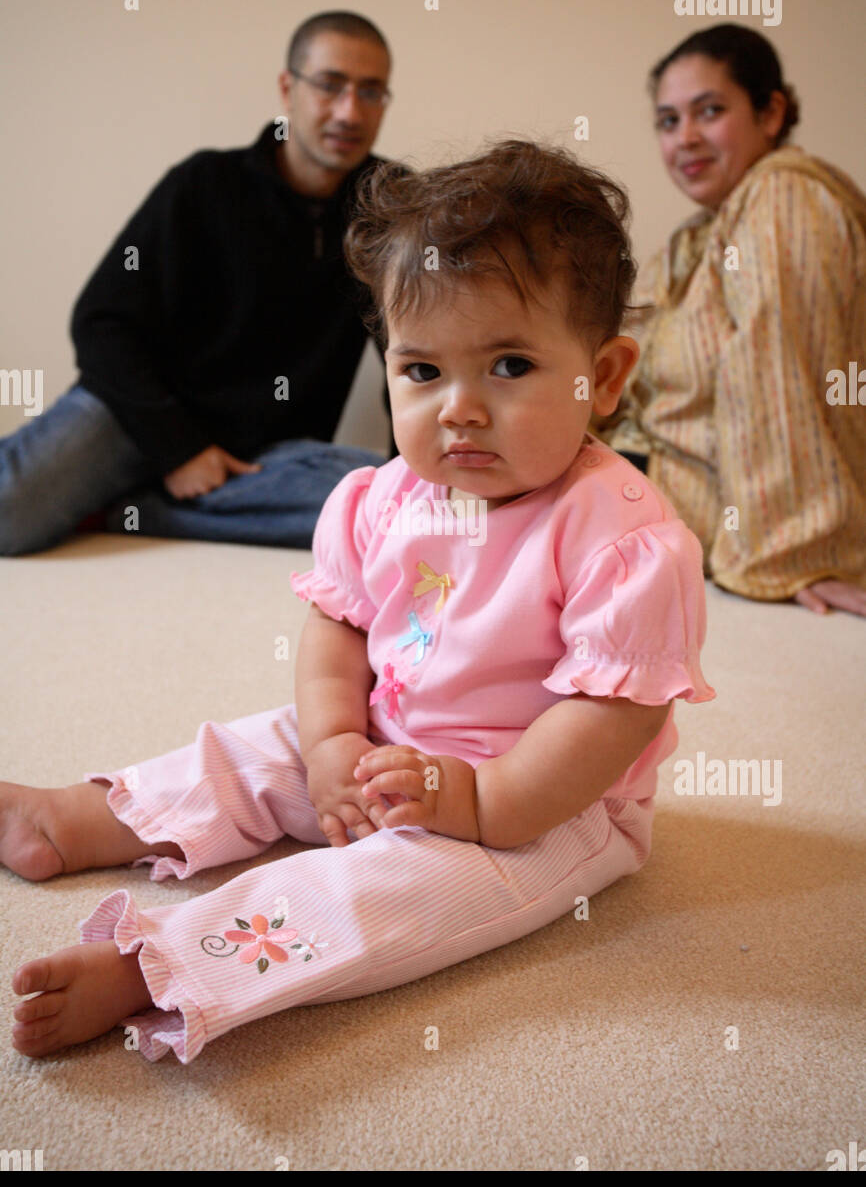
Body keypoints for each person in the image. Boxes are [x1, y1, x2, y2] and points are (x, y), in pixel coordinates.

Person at [6, 140, 715, 1063]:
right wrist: (337, 739)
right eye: (422, 372)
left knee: (391, 893)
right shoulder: (385, 498)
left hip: (547, 804)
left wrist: (478, 798)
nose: (457, 408)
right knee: (256, 751)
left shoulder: (621, 538)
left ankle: (162, 967)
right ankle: (82, 817)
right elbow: (338, 627)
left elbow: (612, 716)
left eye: (507, 366)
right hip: (386, 735)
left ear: (605, 377)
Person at [0, 11, 399, 556]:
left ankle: (131, 508)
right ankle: (146, 491)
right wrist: (179, 447)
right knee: (7, 514)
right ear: (289, 88)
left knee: (391, 510)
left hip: (265, 455)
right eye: (330, 85)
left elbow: (415, 343)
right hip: (137, 416)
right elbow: (101, 321)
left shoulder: (390, 204)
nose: (349, 111)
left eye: (371, 92)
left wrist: (416, 470)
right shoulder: (204, 184)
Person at [595, 24, 866, 617]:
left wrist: (797, 551)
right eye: (668, 121)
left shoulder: (784, 199)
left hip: (700, 508)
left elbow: (779, 376)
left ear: (772, 113)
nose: (685, 138)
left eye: (709, 111)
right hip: (646, 483)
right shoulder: (700, 236)